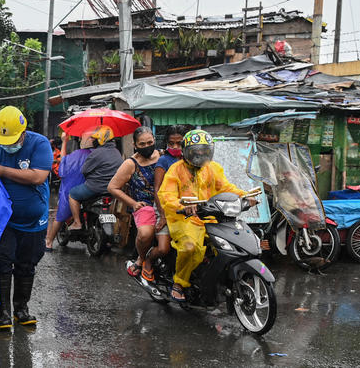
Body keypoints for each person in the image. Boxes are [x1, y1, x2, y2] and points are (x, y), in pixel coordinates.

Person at [0, 106, 52, 329]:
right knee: (3, 265)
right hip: (3, 224)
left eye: (13, 140)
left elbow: (38, 176)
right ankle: (3, 314)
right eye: (4, 141)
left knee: (27, 265)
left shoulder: (39, 143)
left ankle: (21, 310)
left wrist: (3, 171)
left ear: (24, 131)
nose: (8, 145)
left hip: (35, 222)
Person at [158, 129, 257, 302]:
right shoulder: (175, 170)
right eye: (196, 152)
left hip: (210, 215)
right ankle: (179, 283)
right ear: (186, 151)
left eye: (204, 151)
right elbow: (166, 195)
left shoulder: (213, 168)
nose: (200, 156)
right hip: (183, 218)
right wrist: (183, 205)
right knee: (191, 247)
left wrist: (244, 196)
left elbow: (226, 188)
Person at [108, 126, 170, 281]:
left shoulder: (164, 156)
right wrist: (133, 203)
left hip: (168, 204)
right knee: (145, 234)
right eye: (142, 144)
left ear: (155, 140)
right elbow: (112, 187)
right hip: (145, 206)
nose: (147, 146)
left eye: (150, 142)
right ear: (135, 145)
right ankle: (141, 259)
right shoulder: (131, 163)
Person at [67, 125, 123, 230]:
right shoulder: (117, 152)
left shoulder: (97, 153)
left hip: (95, 188)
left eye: (95, 139)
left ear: (101, 140)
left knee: (72, 194)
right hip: (113, 189)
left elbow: (84, 171)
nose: (93, 141)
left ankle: (77, 223)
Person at [45, 132, 92, 250]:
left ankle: (48, 242)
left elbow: (62, 169)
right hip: (94, 190)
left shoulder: (76, 155)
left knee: (60, 216)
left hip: (73, 189)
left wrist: (65, 141)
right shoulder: (100, 154)